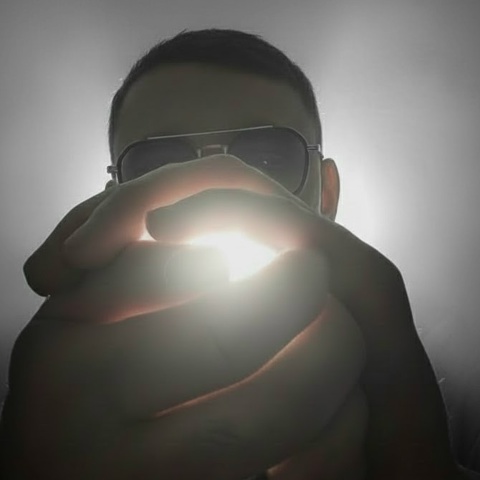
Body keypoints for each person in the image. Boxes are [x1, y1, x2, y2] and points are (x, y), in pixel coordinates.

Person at [0, 28, 478, 480]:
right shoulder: (40, 397)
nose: (218, 191)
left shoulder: (456, 400)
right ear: (111, 200)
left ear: (327, 193)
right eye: (158, 166)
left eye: (268, 159)